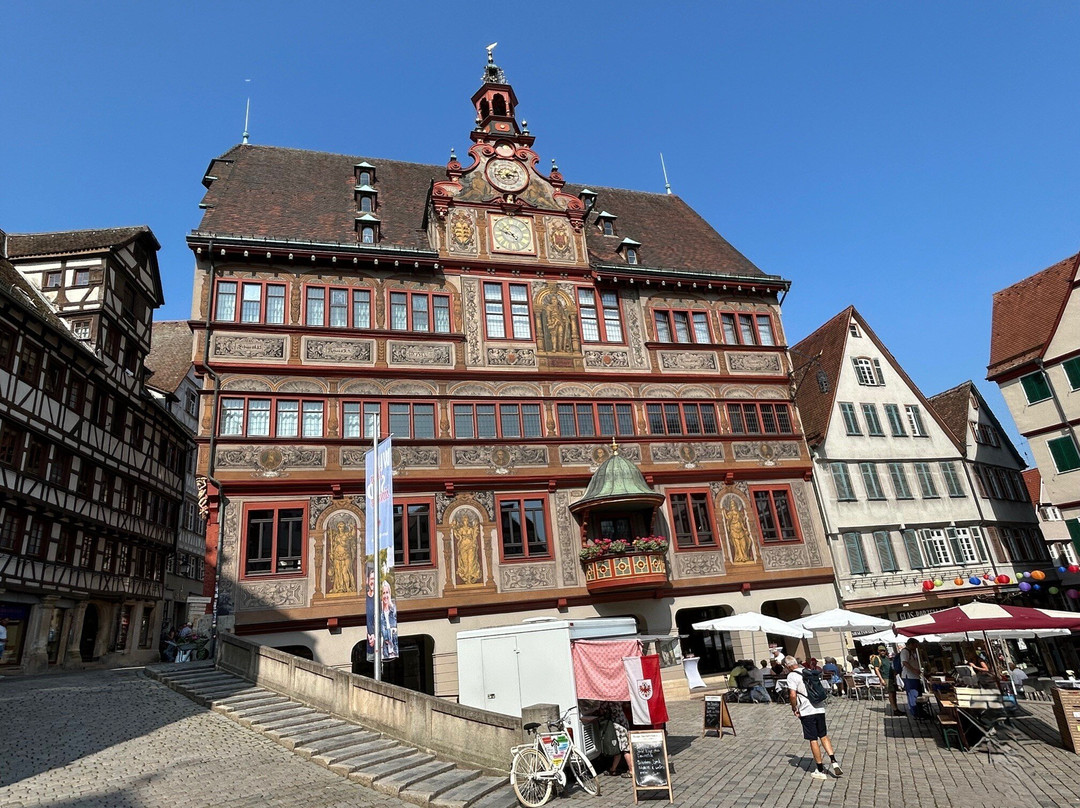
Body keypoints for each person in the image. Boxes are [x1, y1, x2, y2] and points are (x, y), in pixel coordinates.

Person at [784, 655, 842, 780]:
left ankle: (820, 769)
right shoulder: (808, 671)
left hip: (806, 710)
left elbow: (792, 695)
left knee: (813, 739)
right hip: (819, 708)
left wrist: (794, 708)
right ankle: (834, 761)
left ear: (787, 666)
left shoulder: (791, 676)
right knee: (824, 735)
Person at [600, 702, 632, 777]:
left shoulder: (608, 701)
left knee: (625, 748)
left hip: (617, 725)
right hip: (623, 721)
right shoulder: (618, 697)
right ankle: (613, 769)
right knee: (619, 748)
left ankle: (631, 770)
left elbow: (602, 710)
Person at [899, 638, 923, 715]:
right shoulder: (905, 651)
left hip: (914, 676)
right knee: (913, 694)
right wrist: (914, 670)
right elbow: (905, 662)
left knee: (917, 694)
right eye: (916, 645)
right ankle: (915, 712)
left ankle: (919, 711)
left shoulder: (912, 652)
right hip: (909, 676)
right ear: (911, 644)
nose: (917, 646)